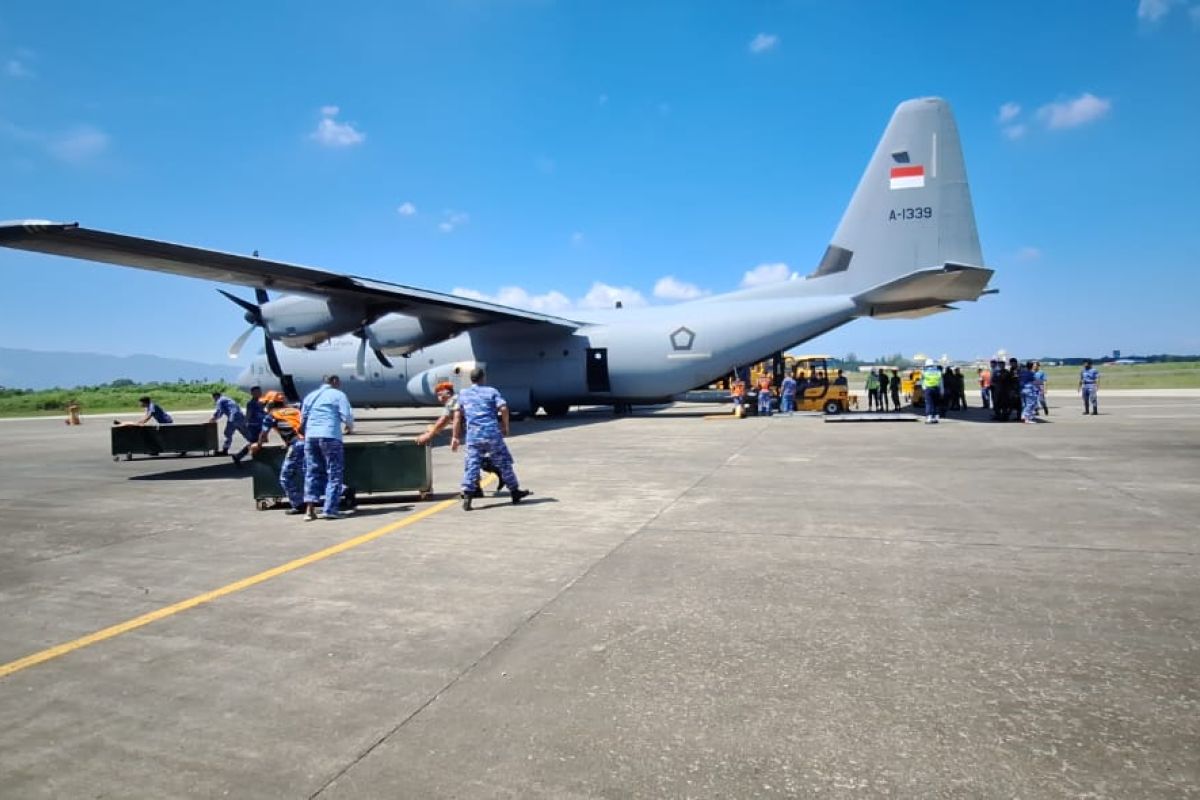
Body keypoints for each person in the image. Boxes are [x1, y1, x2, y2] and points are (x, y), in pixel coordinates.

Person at [452, 367, 529, 511]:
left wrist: (455, 437)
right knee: (504, 462)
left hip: (474, 435)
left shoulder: (463, 394)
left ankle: (468, 495)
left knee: (472, 464)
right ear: (483, 378)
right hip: (492, 433)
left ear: (471, 379)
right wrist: (505, 426)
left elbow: (457, 416)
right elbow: (504, 408)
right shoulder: (491, 391)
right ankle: (514, 491)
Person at [300, 375, 355, 520]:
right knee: (334, 473)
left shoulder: (310, 396)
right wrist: (349, 427)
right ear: (335, 381)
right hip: (330, 436)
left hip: (310, 437)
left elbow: (302, 418)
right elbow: (347, 415)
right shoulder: (338, 395)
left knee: (312, 472)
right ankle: (330, 509)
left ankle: (309, 510)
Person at [250, 391, 307, 514]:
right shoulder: (295, 411)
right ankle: (342, 490)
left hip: (297, 445)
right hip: (309, 443)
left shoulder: (272, 416)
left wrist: (258, 445)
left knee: (285, 477)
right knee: (310, 473)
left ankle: (298, 504)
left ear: (270, 403)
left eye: (265, 403)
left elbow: (264, 435)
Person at [231, 386, 265, 465]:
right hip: (254, 426)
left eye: (260, 391)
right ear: (252, 393)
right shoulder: (251, 403)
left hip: (260, 425)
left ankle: (240, 456)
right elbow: (248, 415)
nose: (260, 393)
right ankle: (239, 456)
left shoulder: (260, 403)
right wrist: (245, 424)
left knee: (257, 442)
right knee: (255, 442)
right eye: (257, 392)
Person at [209, 390, 250, 456]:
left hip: (233, 418)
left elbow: (219, 412)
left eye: (214, 398)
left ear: (215, 396)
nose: (214, 400)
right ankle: (256, 444)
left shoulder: (220, 401)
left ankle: (225, 450)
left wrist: (213, 419)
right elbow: (222, 412)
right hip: (241, 417)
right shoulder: (227, 399)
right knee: (246, 433)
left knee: (227, 434)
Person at [920, 358, 942, 424]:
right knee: (936, 403)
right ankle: (936, 418)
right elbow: (940, 381)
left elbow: (922, 380)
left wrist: (923, 388)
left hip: (928, 389)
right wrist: (941, 390)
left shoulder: (924, 372)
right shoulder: (938, 371)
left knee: (929, 403)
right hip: (937, 388)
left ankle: (929, 418)